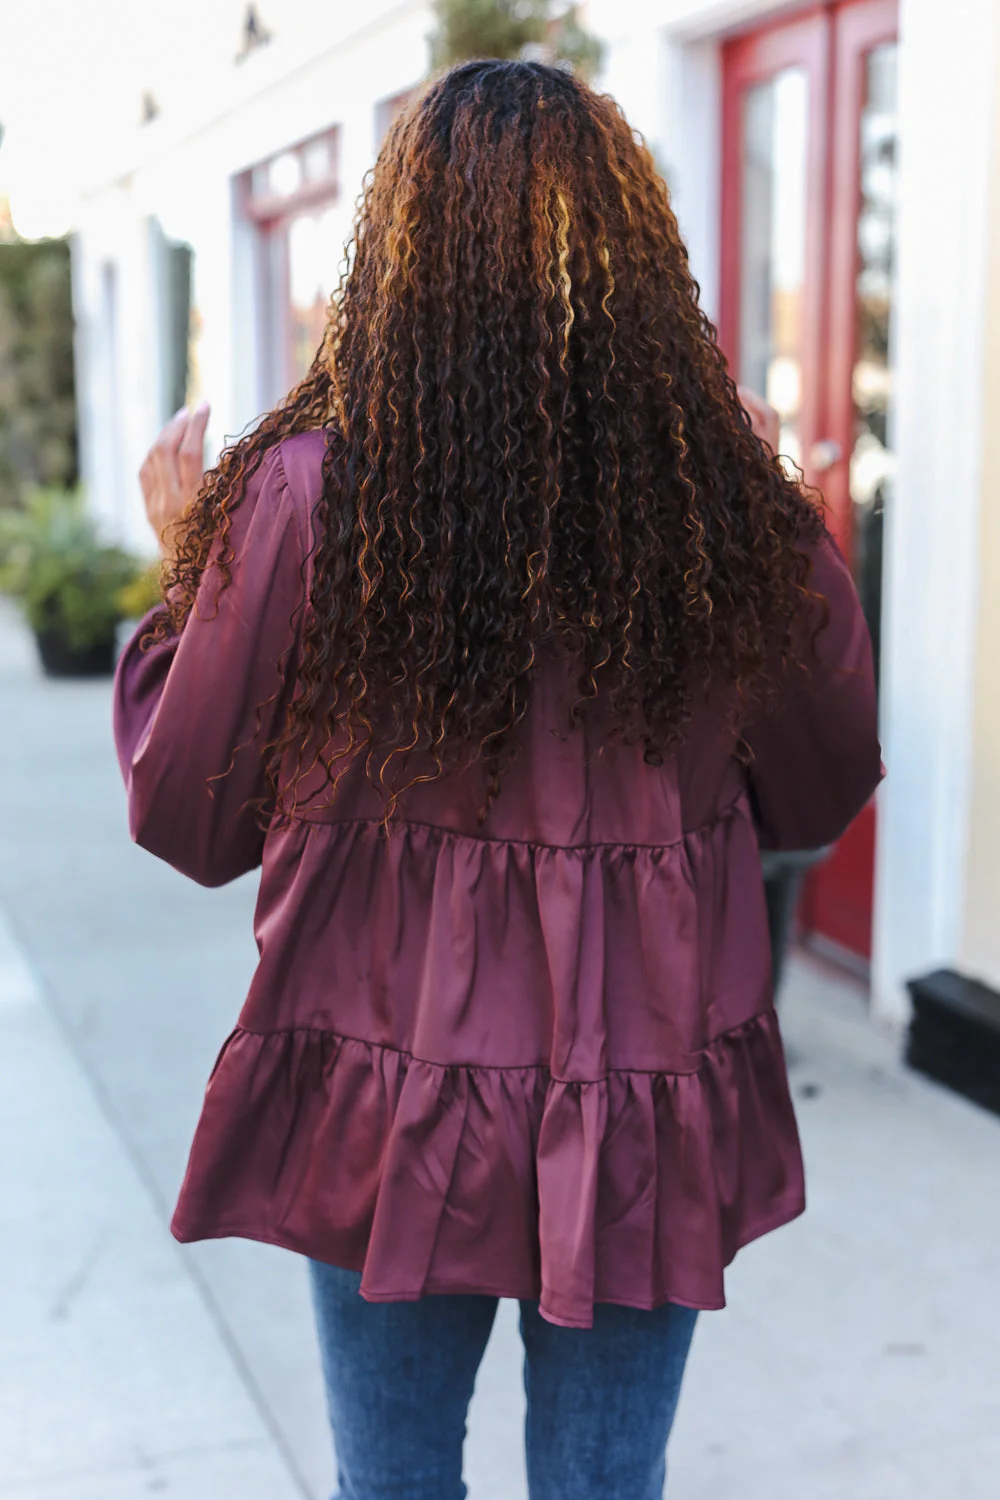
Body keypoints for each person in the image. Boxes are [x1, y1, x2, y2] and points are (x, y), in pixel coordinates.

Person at [114, 61, 882, 1500]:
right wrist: (774, 518)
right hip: (640, 1092)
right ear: (632, 249)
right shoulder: (709, 497)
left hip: (389, 1094)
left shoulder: (304, 495)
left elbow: (189, 814)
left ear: (398, 251)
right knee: (605, 1486)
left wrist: (184, 582)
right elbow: (825, 783)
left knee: (392, 1483)